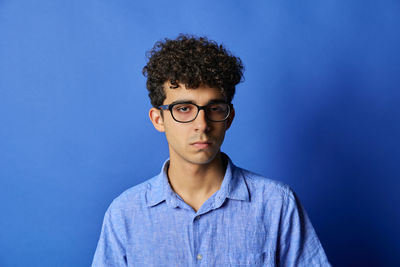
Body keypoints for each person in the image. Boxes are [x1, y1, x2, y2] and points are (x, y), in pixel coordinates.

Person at [92, 34, 331, 266]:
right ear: (158, 119)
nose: (202, 125)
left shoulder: (276, 204)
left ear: (229, 117)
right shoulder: (125, 214)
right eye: (184, 108)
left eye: (214, 108)